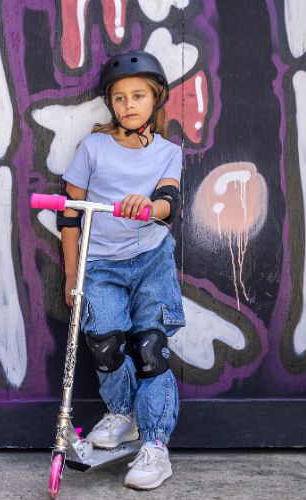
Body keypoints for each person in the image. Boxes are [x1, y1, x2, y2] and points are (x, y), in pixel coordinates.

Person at [57, 49, 185, 490]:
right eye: (120, 98)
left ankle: (155, 445)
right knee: (106, 343)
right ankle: (122, 416)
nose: (129, 105)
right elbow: (70, 213)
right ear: (110, 105)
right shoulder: (93, 147)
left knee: (150, 347)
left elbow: (170, 202)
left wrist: (151, 206)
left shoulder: (169, 152)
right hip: (100, 264)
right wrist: (72, 275)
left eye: (138, 96)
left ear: (155, 101)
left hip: (151, 260)